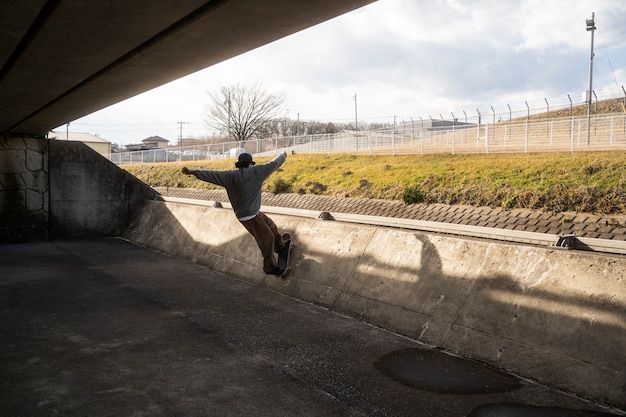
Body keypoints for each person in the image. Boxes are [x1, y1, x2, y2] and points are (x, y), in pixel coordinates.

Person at [181, 151, 288, 276]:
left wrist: (193, 172)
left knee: (271, 225)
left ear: (239, 165)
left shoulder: (229, 176)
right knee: (266, 238)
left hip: (249, 213)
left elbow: (211, 174)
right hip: (250, 216)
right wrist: (283, 155)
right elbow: (273, 163)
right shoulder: (256, 172)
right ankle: (270, 268)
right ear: (250, 164)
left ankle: (280, 246)